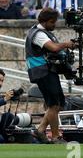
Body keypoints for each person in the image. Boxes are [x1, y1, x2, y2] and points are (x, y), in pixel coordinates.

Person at [25, 8, 77, 144]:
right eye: (53, 22)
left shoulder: (42, 32)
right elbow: (53, 48)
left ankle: (40, 130)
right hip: (42, 71)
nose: (55, 25)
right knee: (54, 104)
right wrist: (66, 44)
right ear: (46, 21)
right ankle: (55, 137)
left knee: (59, 104)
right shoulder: (38, 34)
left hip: (47, 71)